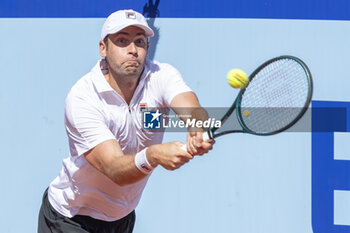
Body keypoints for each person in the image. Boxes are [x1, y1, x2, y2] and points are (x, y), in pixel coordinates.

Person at [38, 9, 214, 233]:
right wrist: (154, 155)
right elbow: (114, 168)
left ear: (147, 48)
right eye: (122, 41)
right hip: (71, 218)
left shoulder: (161, 75)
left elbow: (189, 105)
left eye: (139, 42)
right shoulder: (83, 97)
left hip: (121, 218)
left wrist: (197, 126)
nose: (132, 50)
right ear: (103, 48)